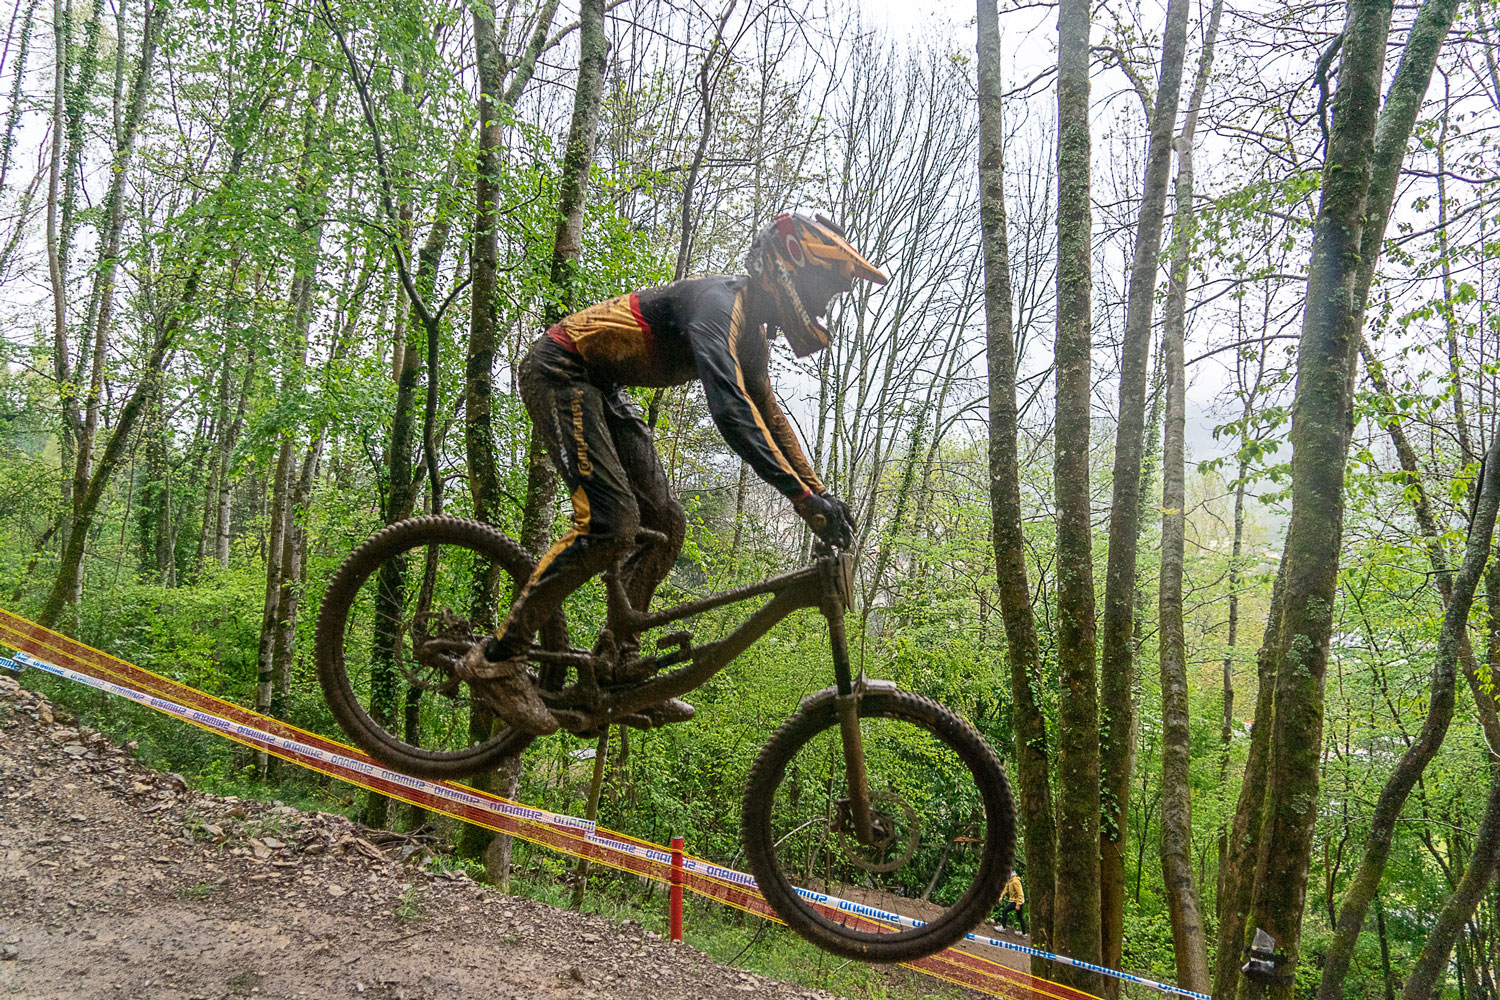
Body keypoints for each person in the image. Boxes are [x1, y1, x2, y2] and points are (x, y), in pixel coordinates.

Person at [461, 211, 888, 736]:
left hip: (602, 388)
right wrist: (801, 499)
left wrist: (820, 492)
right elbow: (732, 413)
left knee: (665, 524)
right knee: (610, 524)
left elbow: (770, 416)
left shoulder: (751, 331)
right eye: (823, 290)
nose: (825, 306)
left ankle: (616, 668)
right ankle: (498, 657)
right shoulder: (722, 305)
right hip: (561, 369)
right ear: (787, 269)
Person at [995, 870, 1027, 935]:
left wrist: (1018, 904)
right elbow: (1006, 889)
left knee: (1005, 911)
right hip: (1015, 901)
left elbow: (1020, 893)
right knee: (1020, 917)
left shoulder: (1016, 882)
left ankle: (1003, 928)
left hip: (1017, 901)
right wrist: (1001, 896)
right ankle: (1024, 933)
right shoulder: (1010, 881)